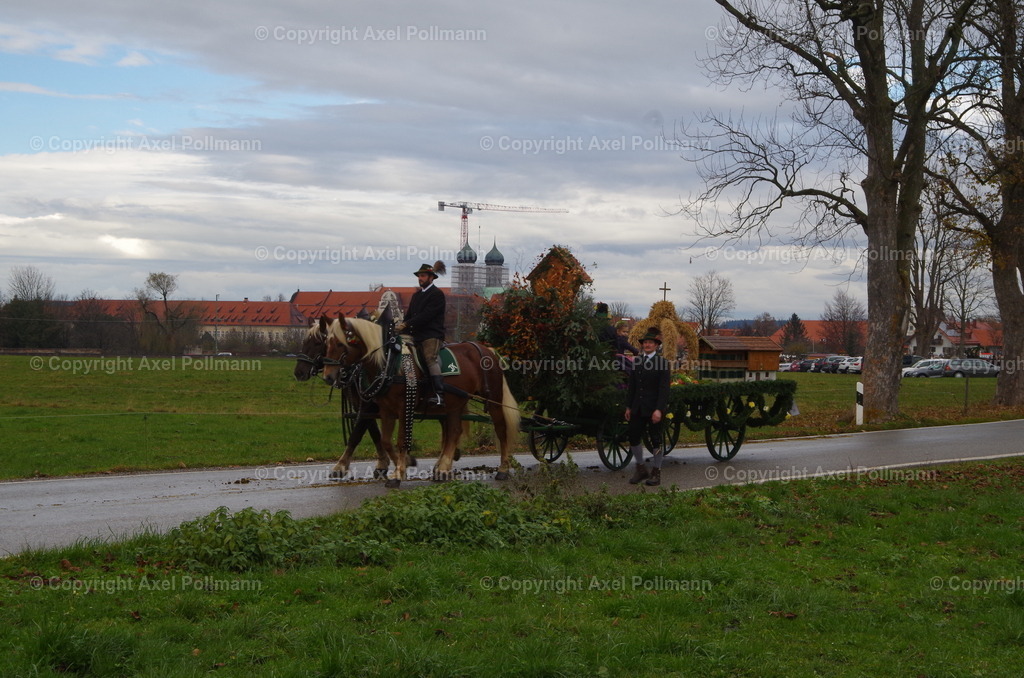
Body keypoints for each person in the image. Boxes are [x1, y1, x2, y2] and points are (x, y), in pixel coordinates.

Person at [624, 328, 671, 486]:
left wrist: (659, 409)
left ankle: (656, 472)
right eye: (645, 342)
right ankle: (641, 468)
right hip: (637, 407)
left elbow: (664, 389)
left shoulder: (662, 363)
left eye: (650, 342)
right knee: (633, 437)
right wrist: (629, 407)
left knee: (656, 440)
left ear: (656, 345)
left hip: (653, 408)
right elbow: (632, 386)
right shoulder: (637, 361)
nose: (647, 345)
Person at [396, 260, 447, 406]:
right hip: (414, 335)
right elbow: (410, 315)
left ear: (431, 277)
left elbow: (427, 315)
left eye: (423, 276)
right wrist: (400, 328)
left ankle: (439, 395)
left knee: (430, 358)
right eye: (419, 276)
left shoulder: (437, 294)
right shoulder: (417, 296)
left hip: (431, 335)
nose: (420, 278)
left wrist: (407, 324)